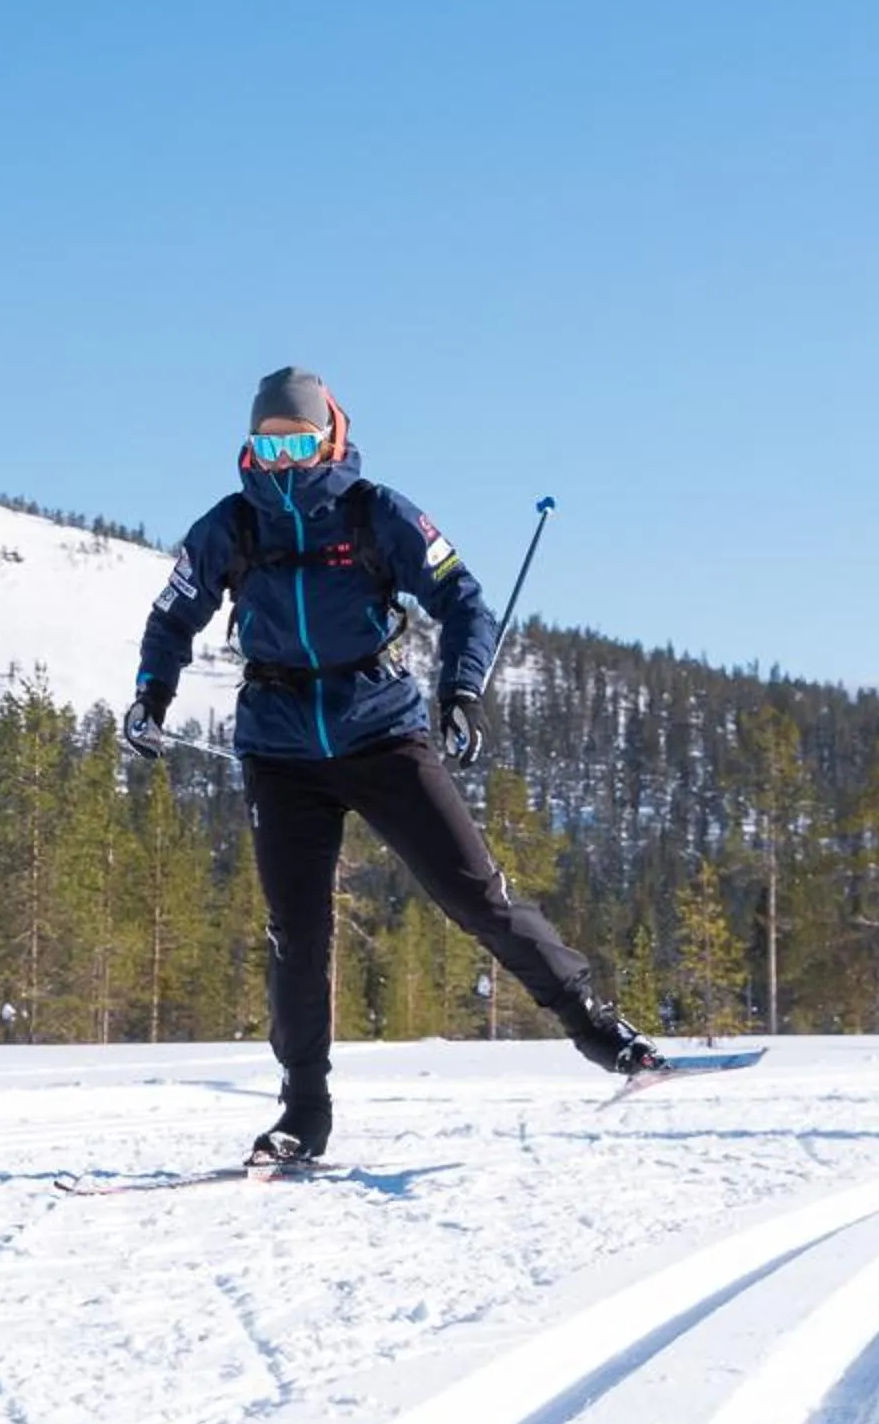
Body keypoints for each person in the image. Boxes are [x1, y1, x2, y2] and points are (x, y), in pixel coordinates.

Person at [124, 366, 664, 1167]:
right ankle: (302, 1114)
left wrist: (460, 694)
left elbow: (462, 598)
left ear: (331, 436)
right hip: (279, 751)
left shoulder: (376, 514)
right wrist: (151, 696)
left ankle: (602, 1032)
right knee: (295, 935)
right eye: (268, 446)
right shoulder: (231, 527)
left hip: (381, 733)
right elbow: (173, 613)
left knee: (475, 897)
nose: (285, 461)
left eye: (300, 442)